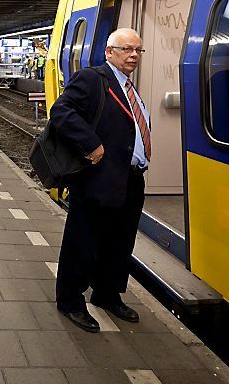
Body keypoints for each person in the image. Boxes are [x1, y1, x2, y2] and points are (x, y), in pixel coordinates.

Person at [49, 28, 150, 333]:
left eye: (138, 51)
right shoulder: (94, 79)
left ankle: (107, 294)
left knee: (119, 242)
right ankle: (70, 300)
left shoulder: (130, 87)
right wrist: (91, 143)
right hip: (99, 176)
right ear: (109, 51)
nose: (133, 55)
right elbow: (61, 110)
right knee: (84, 240)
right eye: (126, 49)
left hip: (131, 179)